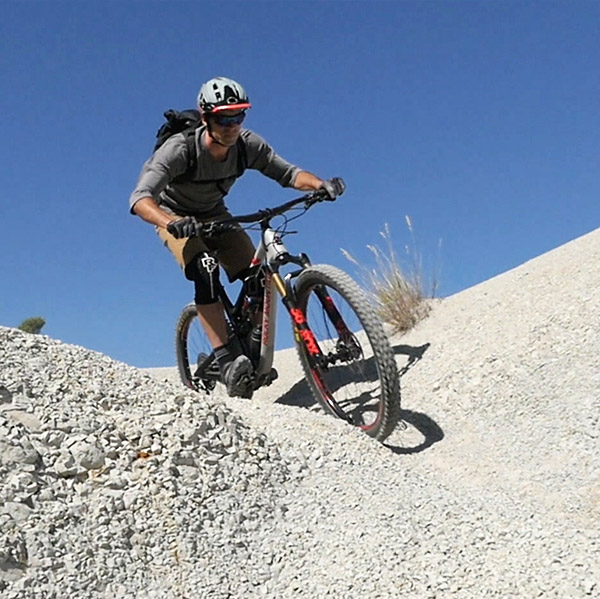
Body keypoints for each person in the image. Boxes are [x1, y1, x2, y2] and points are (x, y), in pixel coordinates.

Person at [129, 76, 345, 398]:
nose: (232, 125)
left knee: (258, 273)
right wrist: (171, 221)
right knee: (205, 269)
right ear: (206, 118)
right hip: (175, 217)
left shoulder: (246, 145)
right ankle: (225, 359)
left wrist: (319, 185)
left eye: (239, 115)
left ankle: (250, 343)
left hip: (215, 214)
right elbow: (140, 198)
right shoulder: (180, 149)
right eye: (224, 117)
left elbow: (286, 172)